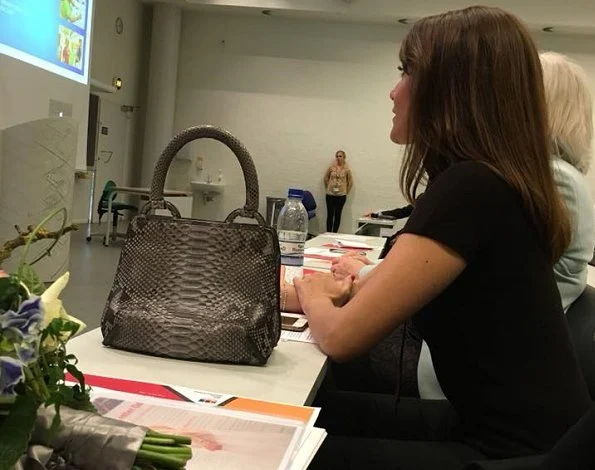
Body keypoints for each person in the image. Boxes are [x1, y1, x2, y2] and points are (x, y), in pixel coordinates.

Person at [282, 6, 591, 469]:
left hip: (512, 454)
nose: (394, 90)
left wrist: (312, 292)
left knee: (281, 449)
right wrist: (332, 297)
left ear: (453, 90)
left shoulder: (473, 187)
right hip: (508, 432)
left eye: (407, 72)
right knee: (300, 414)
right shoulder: (490, 182)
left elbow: (343, 338)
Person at [323, 150, 353, 232]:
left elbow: (350, 182)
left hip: (341, 195)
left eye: (340, 156)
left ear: (344, 158)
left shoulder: (347, 170)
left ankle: (335, 232)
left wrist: (346, 191)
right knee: (330, 214)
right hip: (330, 194)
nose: (338, 158)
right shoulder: (331, 168)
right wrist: (328, 188)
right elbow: (325, 178)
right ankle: (328, 232)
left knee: (338, 214)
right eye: (337, 156)